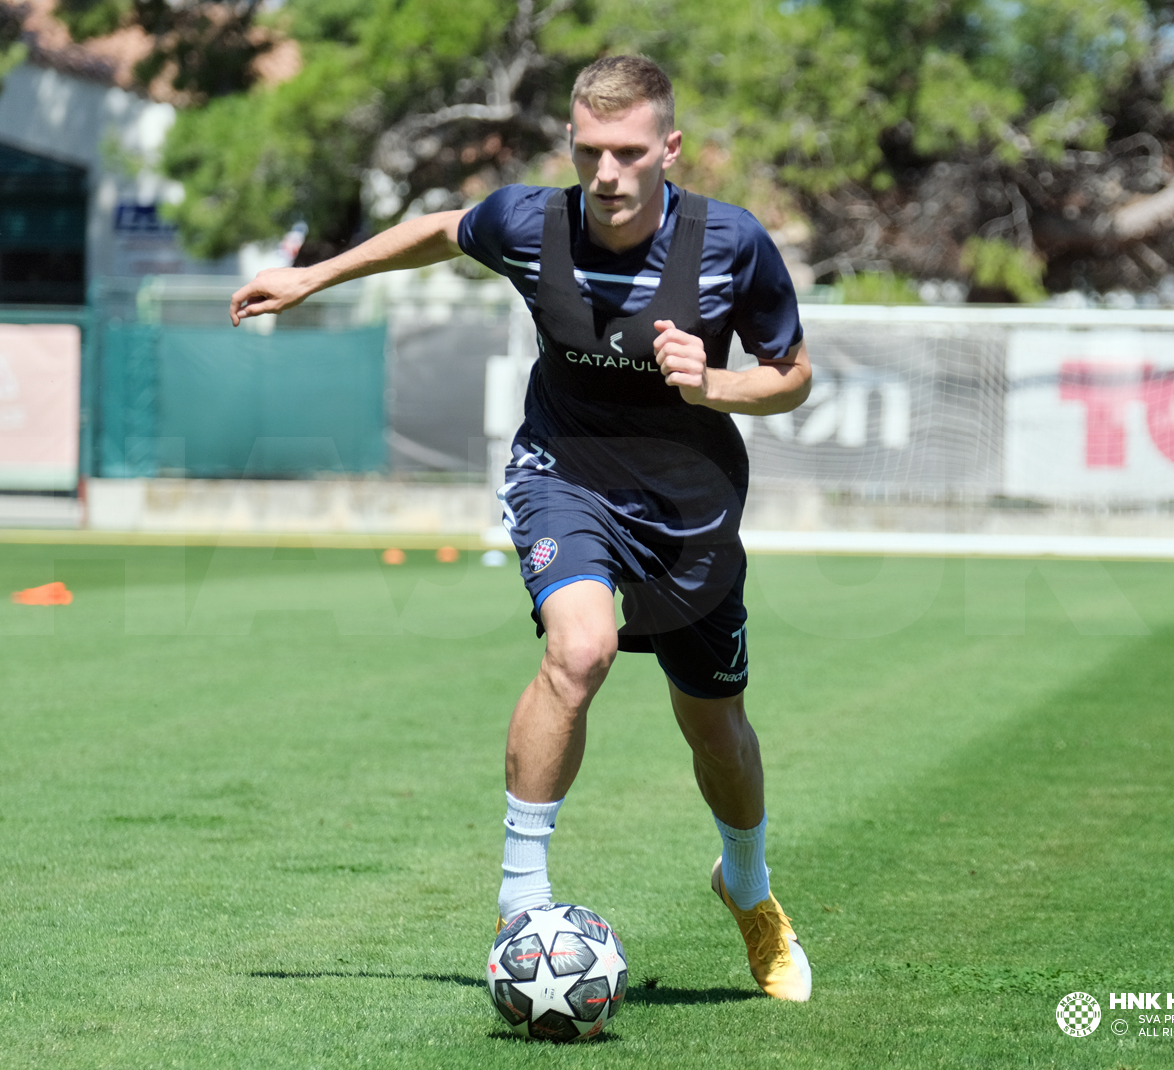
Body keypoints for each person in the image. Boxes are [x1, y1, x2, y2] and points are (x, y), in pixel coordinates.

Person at [230, 55, 813, 1002]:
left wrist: (716, 386)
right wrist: (313, 277)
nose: (609, 174)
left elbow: (792, 374)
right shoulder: (531, 222)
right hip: (563, 478)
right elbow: (438, 230)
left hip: (689, 511)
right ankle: (522, 901)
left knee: (716, 729)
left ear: (670, 148)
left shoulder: (732, 244)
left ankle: (746, 886)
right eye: (590, 152)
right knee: (578, 651)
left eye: (629, 152)